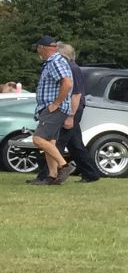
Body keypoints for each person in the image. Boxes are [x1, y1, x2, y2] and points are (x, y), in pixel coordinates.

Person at [50, 43, 102, 182]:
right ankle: (91, 173)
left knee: (58, 143)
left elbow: (76, 94)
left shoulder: (72, 69)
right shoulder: (72, 68)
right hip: (73, 109)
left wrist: (70, 116)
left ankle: (48, 175)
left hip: (73, 110)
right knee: (75, 145)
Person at [29, 35, 74, 185]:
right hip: (52, 108)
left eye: (38, 48)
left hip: (54, 108)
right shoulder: (55, 61)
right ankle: (52, 176)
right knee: (50, 142)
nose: (37, 51)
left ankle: (64, 166)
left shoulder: (55, 61)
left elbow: (67, 83)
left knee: (38, 139)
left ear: (42, 48)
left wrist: (56, 103)